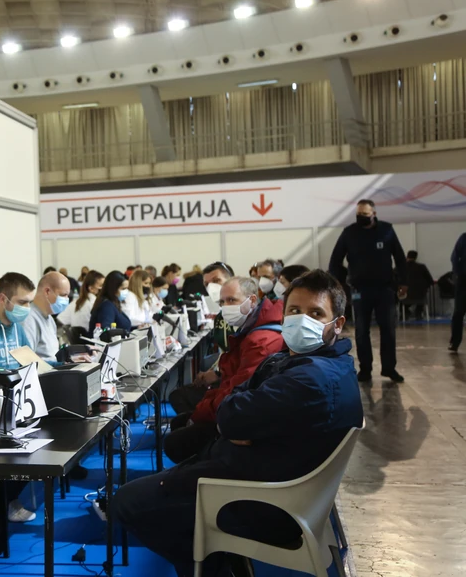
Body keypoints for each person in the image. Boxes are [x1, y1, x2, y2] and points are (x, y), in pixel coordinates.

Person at [112, 270, 363, 577]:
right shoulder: (316, 363)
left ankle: (212, 567)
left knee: (126, 503)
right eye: (295, 311)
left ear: (337, 323)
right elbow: (236, 399)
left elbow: (230, 415)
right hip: (261, 478)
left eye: (315, 313)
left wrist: (235, 423)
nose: (302, 320)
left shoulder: (309, 379)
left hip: (259, 500)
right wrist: (237, 421)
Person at [164, 276, 285, 464]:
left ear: (252, 300)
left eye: (232, 300)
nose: (226, 307)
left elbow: (236, 390)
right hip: (234, 405)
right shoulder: (252, 328)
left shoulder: (261, 341)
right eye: (222, 302)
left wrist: (201, 413)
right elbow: (230, 380)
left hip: (240, 414)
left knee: (175, 442)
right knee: (179, 423)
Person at [329, 199, 407, 382]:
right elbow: (335, 260)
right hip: (360, 290)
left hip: (385, 289)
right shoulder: (349, 233)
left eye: (364, 214)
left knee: (388, 330)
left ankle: (389, 368)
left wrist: (404, 283)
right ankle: (365, 369)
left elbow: (400, 258)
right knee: (362, 331)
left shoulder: (387, 230)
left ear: (374, 214)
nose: (361, 217)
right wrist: (340, 282)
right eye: (358, 214)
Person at [22, 271, 70, 361]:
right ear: (47, 291)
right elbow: (27, 361)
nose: (66, 299)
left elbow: (53, 355)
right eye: (63, 295)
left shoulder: (50, 319)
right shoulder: (29, 319)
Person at [401, 251, 433, 320]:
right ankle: (418, 313)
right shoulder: (422, 267)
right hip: (420, 295)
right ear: (416, 258)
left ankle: (405, 313)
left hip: (405, 295)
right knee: (420, 296)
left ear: (407, 257)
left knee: (400, 296)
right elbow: (430, 281)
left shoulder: (401, 267)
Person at [451, 233, 466, 353]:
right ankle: (455, 342)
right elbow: (454, 257)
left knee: (458, 313)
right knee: (458, 312)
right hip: (463, 279)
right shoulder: (464, 238)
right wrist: (458, 274)